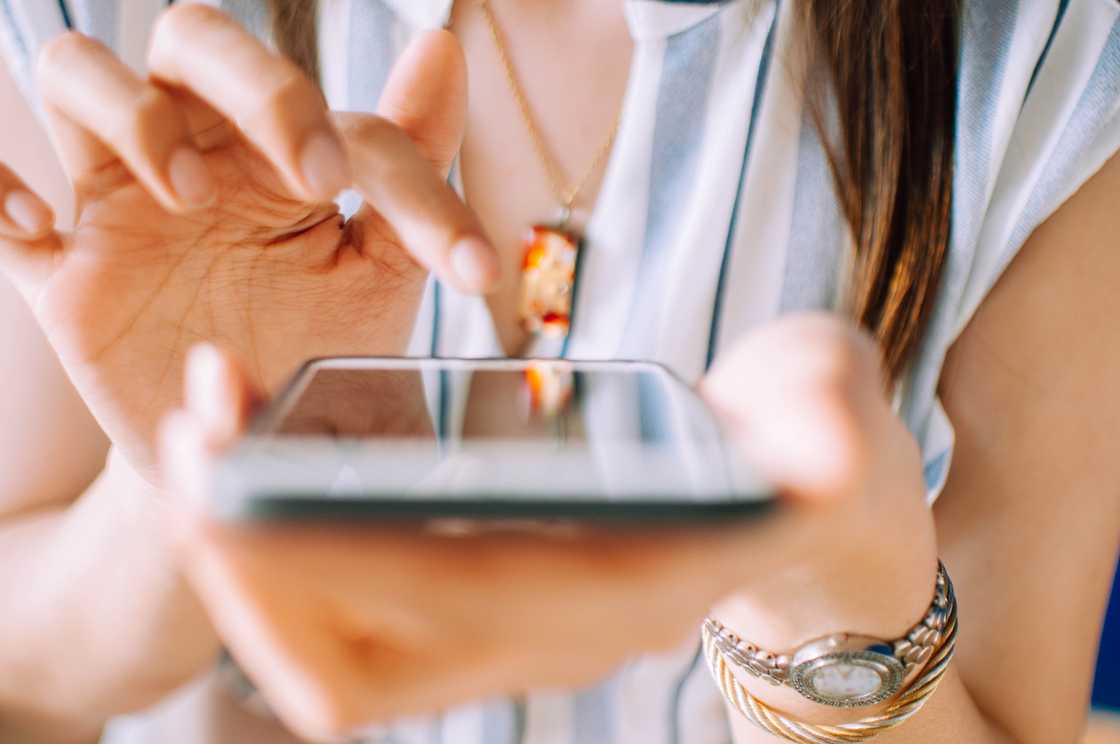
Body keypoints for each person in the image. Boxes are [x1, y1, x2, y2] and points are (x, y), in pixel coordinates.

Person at [0, 0, 1116, 742]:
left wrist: (834, 592)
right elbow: (24, 689)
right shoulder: (97, 34)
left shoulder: (1056, 59)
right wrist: (185, 471)